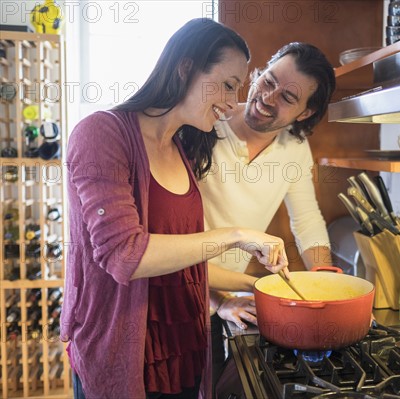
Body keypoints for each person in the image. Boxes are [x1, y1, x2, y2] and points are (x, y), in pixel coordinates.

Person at [60, 18, 290, 399]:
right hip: (125, 354)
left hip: (184, 353)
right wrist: (236, 237)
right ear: (185, 67)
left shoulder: (181, 150)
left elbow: (176, 261)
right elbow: (125, 255)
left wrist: (249, 289)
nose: (233, 103)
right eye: (229, 85)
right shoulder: (102, 134)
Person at [197, 42, 336, 386]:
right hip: (184, 287)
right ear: (257, 72)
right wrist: (220, 299)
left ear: (304, 113)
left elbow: (306, 219)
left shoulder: (295, 147)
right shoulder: (204, 126)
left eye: (288, 98)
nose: (268, 97)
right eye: (269, 81)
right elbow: (171, 228)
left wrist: (323, 278)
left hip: (219, 302)